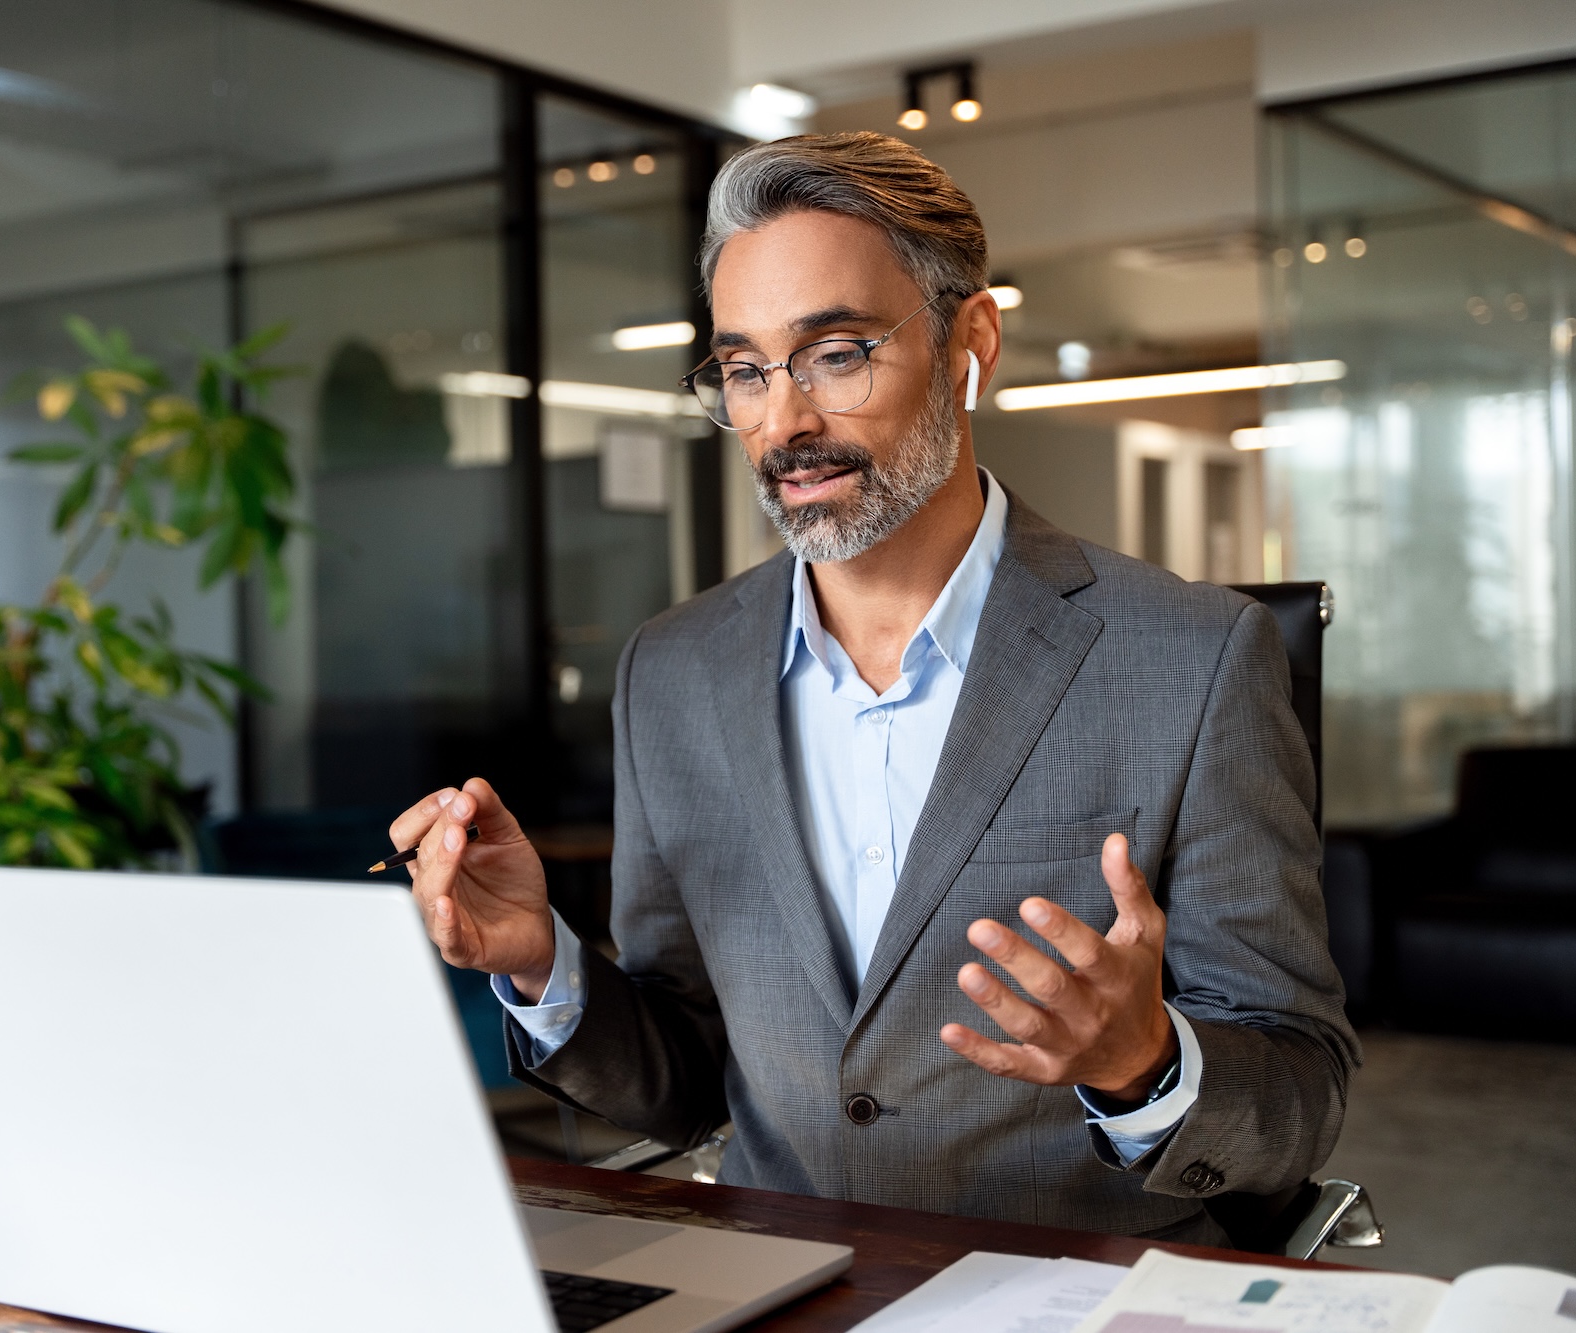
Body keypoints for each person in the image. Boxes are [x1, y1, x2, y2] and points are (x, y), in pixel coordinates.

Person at [389, 132, 1355, 1242]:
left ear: (968, 342)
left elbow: (1300, 1093)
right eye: (745, 370)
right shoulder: (672, 671)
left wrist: (1144, 1063)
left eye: (835, 353)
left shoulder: (1193, 657)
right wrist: (543, 961)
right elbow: (688, 1073)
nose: (784, 422)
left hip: (1066, 1294)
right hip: (779, 1284)